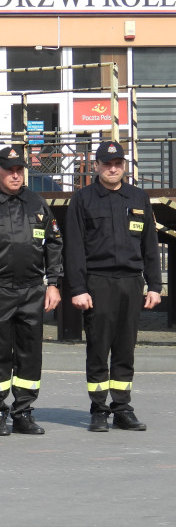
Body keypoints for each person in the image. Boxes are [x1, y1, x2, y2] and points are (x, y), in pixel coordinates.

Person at [0, 146, 62, 436]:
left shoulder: (36, 203)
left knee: (30, 355)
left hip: (32, 290)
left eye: (20, 170)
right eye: (10, 170)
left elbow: (55, 243)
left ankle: (23, 412)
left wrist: (53, 283)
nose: (15, 175)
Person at [65, 140, 162, 432]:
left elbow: (150, 246)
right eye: (107, 164)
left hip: (131, 283)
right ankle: (98, 409)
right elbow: (74, 249)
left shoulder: (138, 198)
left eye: (117, 164)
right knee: (98, 347)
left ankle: (122, 408)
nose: (112, 168)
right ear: (96, 166)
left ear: (124, 166)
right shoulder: (83, 200)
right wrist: (78, 288)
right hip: (98, 283)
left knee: (125, 348)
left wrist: (154, 285)